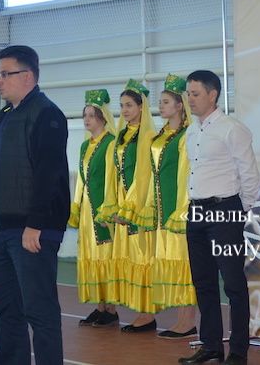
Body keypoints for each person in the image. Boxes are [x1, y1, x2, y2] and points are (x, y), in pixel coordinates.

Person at [0, 45, 70, 365]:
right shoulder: (6, 116)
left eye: (5, 74)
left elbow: (49, 174)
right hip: (4, 229)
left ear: (28, 76)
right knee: (6, 307)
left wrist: (36, 224)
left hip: (32, 230)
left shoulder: (47, 114)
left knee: (39, 309)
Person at [179, 70, 260, 365]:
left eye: (195, 94)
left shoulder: (231, 128)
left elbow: (249, 173)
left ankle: (238, 351)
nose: (190, 99)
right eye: (188, 94)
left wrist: (241, 210)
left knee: (234, 284)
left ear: (213, 95)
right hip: (196, 211)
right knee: (203, 283)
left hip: (225, 211)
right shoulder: (192, 131)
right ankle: (211, 345)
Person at [134, 74, 197, 338]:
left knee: (182, 264)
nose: (162, 106)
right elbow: (150, 175)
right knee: (169, 262)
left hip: (176, 211)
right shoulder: (159, 138)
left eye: (167, 101)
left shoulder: (186, 136)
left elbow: (186, 175)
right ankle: (180, 319)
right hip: (160, 212)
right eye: (160, 102)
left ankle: (187, 321)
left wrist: (182, 210)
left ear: (180, 105)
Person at [95, 79, 159, 331]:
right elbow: (113, 173)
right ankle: (138, 310)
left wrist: (132, 207)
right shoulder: (122, 135)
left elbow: (144, 175)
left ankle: (147, 314)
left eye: (130, 105)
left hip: (138, 206)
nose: (125, 110)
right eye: (122, 105)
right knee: (128, 258)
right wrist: (112, 205)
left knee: (142, 258)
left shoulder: (148, 136)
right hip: (122, 206)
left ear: (142, 107)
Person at [68, 89, 119, 327]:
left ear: (102, 117)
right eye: (85, 115)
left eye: (91, 115)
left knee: (104, 255)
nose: (87, 120)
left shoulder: (110, 143)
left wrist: (107, 210)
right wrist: (76, 207)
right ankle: (100, 306)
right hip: (88, 211)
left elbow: (111, 179)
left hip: (101, 211)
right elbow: (81, 179)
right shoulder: (84, 146)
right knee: (90, 254)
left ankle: (111, 308)